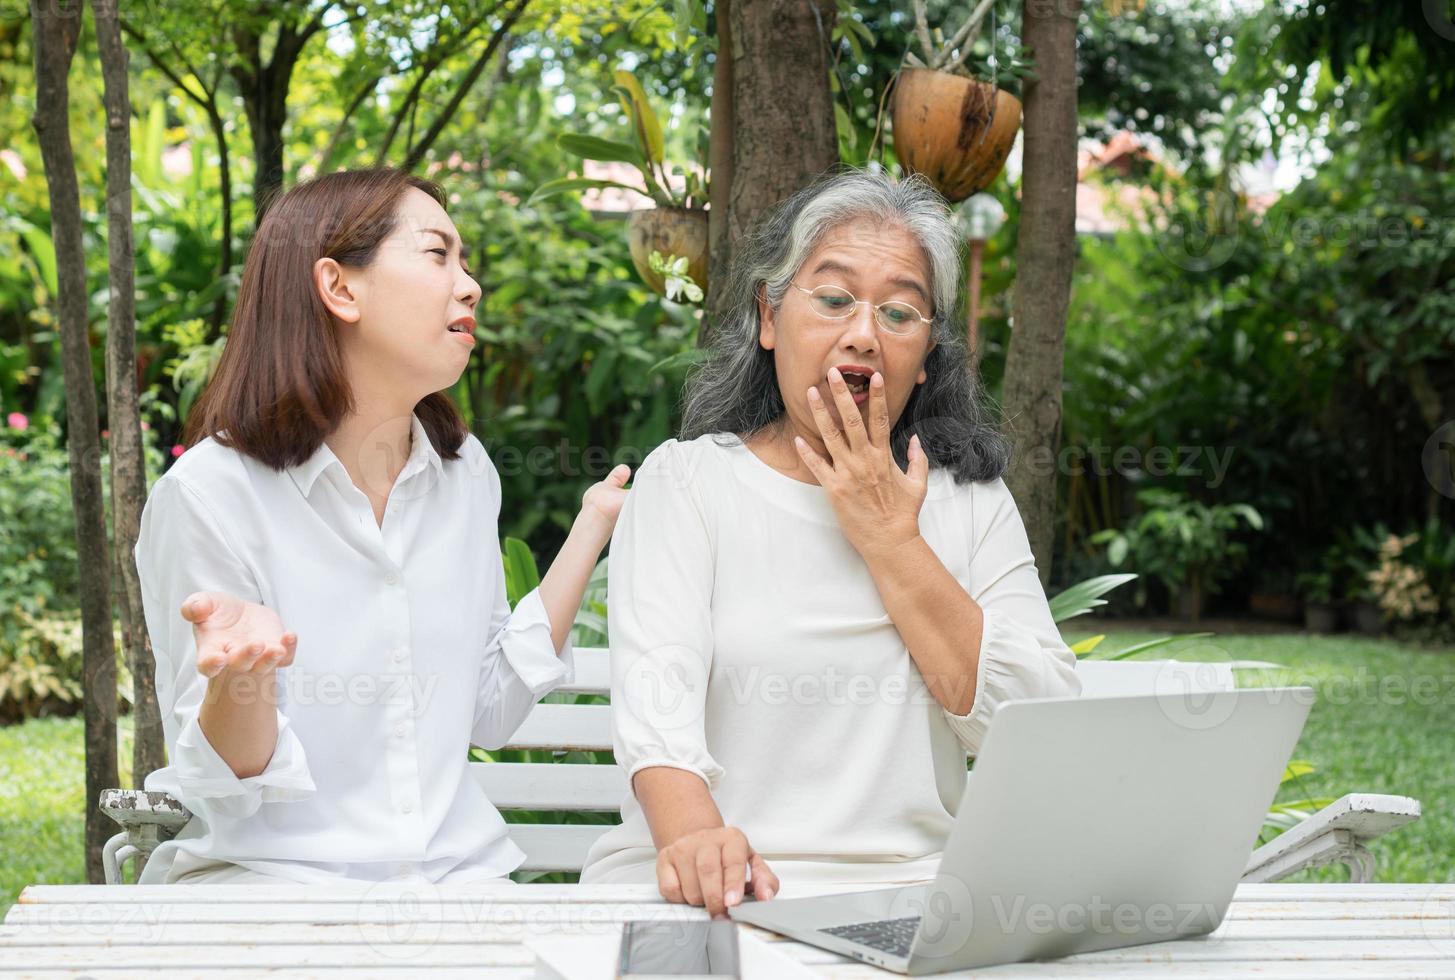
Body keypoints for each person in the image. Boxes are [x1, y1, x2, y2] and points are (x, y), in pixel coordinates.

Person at [579, 170, 1081, 914]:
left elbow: (1039, 731)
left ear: (929, 348)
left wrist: (891, 540)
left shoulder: (969, 500)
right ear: (770, 315)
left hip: (912, 903)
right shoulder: (687, 485)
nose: (863, 335)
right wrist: (698, 844)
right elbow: (658, 716)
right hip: (709, 895)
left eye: (901, 312)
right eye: (834, 298)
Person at [133, 167, 629, 884]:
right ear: (340, 288)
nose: (469, 284)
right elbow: (230, 777)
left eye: (465, 261)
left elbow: (488, 710)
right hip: (276, 888)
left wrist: (590, 528)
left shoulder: (463, 474)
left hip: (461, 884)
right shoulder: (211, 495)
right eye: (437, 254)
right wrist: (243, 679)